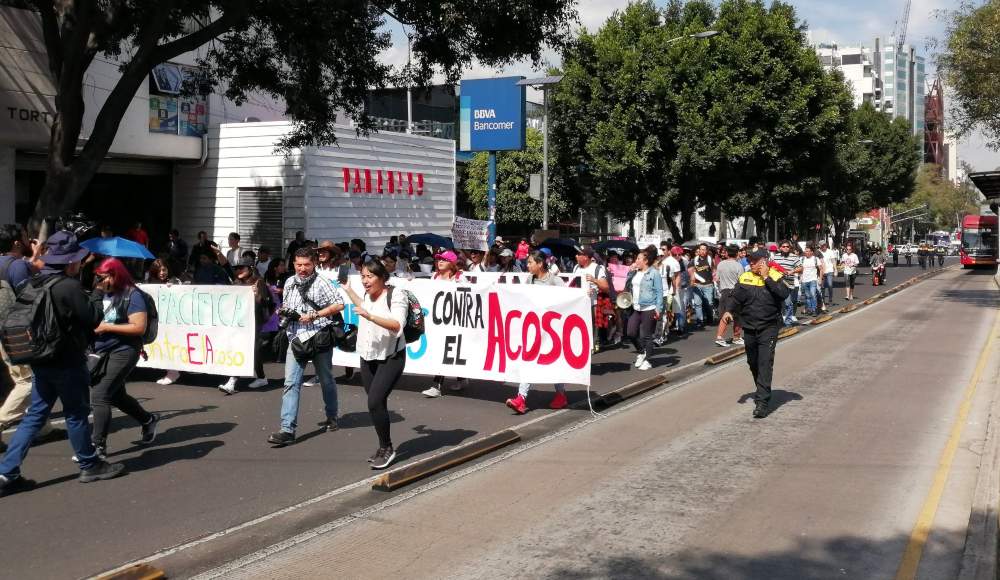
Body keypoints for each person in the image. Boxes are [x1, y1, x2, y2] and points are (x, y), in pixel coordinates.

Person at [0, 231, 125, 496]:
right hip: (66, 360)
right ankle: (90, 464)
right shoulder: (68, 286)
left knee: (34, 416)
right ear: (70, 262)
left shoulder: (34, 282)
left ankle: (6, 472)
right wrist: (97, 292)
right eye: (78, 260)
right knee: (76, 413)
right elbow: (92, 318)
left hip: (38, 357)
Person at [267, 249, 346, 446]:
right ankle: (287, 429)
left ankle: (332, 416)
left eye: (306, 265)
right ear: (294, 263)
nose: (302, 269)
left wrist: (315, 315)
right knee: (291, 383)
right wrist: (283, 312)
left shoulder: (322, 282)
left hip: (318, 337)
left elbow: (339, 304)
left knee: (326, 379)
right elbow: (287, 306)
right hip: (295, 338)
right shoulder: (288, 282)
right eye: (299, 264)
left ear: (314, 264)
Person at [90, 258, 161, 457]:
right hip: (101, 350)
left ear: (115, 275)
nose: (99, 281)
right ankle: (148, 420)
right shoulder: (101, 292)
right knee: (116, 395)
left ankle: (97, 447)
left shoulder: (133, 294)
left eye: (103, 277)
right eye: (97, 277)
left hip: (124, 349)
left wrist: (106, 327)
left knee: (100, 394)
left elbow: (139, 327)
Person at [340, 260, 408, 469]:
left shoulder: (396, 295)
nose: (365, 281)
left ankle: (387, 448)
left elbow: (397, 324)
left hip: (391, 356)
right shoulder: (369, 296)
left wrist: (369, 316)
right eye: (363, 276)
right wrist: (348, 290)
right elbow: (363, 306)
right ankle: (383, 447)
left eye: (370, 276)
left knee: (374, 402)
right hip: (368, 355)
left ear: (382, 277)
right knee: (376, 403)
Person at [721, 248, 790, 419]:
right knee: (753, 362)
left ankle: (762, 402)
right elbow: (735, 298)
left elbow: (784, 293)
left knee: (765, 362)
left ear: (764, 261)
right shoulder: (745, 277)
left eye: (754, 261)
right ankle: (762, 388)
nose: (750, 263)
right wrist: (729, 310)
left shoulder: (775, 275)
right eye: (750, 260)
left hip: (769, 326)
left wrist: (766, 277)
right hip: (749, 327)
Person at [506, 251, 569, 414]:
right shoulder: (529, 280)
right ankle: (521, 398)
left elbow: (569, 299)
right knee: (529, 360)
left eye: (530, 263)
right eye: (527, 263)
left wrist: (583, 295)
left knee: (554, 362)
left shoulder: (555, 280)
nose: (527, 266)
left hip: (552, 330)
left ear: (540, 264)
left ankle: (561, 395)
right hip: (534, 330)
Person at [219, 258, 272, 394]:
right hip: (239, 323)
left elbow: (265, 303)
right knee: (245, 350)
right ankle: (260, 378)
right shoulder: (237, 283)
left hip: (254, 324)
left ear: (250, 268)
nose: (238, 270)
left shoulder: (258, 282)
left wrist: (256, 295)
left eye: (242, 267)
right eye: (237, 268)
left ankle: (233, 381)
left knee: (251, 351)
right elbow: (226, 268)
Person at [421, 250, 468, 397]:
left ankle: (436, 386)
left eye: (444, 260)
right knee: (442, 350)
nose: (440, 262)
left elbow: (467, 296)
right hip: (437, 320)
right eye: (439, 259)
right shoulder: (434, 277)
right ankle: (461, 378)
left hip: (454, 321)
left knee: (447, 350)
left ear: (452, 264)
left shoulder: (460, 278)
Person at [625, 246, 663, 371]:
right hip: (635, 307)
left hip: (649, 307)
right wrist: (630, 272)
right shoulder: (635, 272)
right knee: (630, 332)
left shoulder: (654, 273)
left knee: (646, 335)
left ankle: (648, 360)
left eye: (639, 258)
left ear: (646, 261)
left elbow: (659, 292)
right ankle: (641, 352)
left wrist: (658, 309)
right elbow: (627, 286)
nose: (636, 260)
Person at [714, 244, 745, 347]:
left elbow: (717, 279)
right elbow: (741, 281)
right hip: (735, 292)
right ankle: (733, 337)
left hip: (724, 292)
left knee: (725, 314)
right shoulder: (738, 265)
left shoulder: (720, 264)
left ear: (726, 253)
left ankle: (722, 336)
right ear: (737, 254)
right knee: (737, 316)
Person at [771, 240, 802, 325]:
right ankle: (779, 321)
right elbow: (771, 267)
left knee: (788, 303)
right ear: (780, 248)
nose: (785, 248)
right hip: (777, 284)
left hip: (788, 284)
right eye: (783, 247)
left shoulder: (794, 257)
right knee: (777, 304)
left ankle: (788, 321)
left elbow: (801, 268)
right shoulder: (775, 257)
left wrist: (791, 271)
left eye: (787, 247)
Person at [688, 243, 715, 328]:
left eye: (704, 249)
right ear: (698, 250)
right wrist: (692, 280)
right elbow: (691, 271)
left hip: (708, 285)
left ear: (707, 250)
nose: (702, 251)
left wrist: (715, 279)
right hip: (697, 285)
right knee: (697, 304)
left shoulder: (710, 259)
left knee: (709, 303)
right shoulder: (694, 260)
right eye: (701, 249)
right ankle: (700, 320)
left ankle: (710, 318)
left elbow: (714, 271)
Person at [799, 245, 824, 315]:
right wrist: (801, 277)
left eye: (807, 251)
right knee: (807, 296)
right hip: (804, 280)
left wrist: (820, 279)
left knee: (813, 294)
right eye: (805, 251)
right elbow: (801, 269)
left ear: (811, 252)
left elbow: (821, 269)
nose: (806, 252)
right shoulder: (802, 259)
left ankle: (814, 309)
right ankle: (809, 309)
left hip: (813, 279)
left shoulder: (815, 259)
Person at [818, 242, 838, 306]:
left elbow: (833, 261)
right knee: (822, 287)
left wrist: (835, 270)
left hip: (829, 271)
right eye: (822, 245)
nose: (824, 246)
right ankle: (823, 300)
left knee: (830, 285)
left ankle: (830, 300)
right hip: (822, 272)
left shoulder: (830, 252)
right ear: (820, 246)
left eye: (824, 245)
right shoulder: (818, 252)